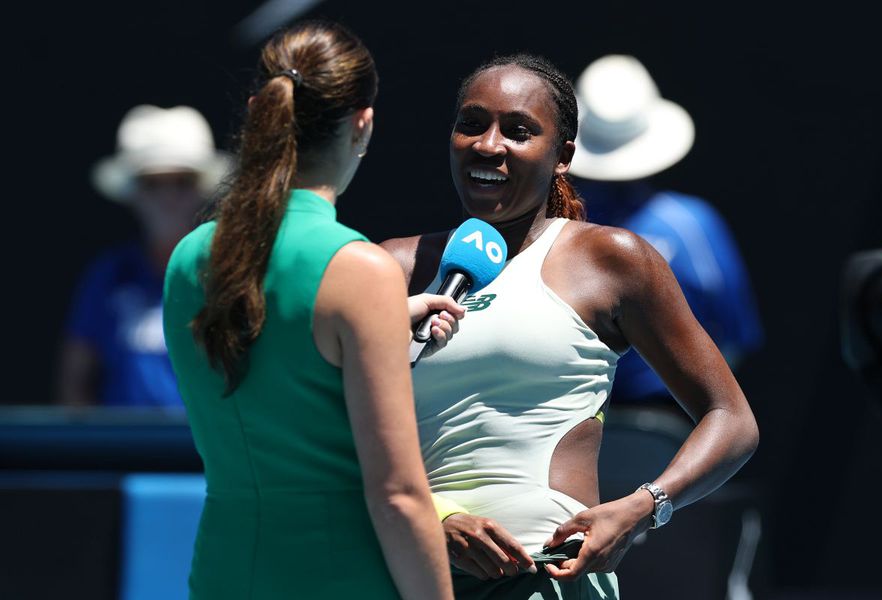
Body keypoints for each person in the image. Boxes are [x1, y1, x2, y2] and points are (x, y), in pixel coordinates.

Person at [381, 53, 759, 599]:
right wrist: (435, 518)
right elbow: (320, 430)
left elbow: (732, 418)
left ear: (563, 156)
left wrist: (642, 507)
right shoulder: (388, 265)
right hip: (401, 576)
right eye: (471, 124)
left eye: (518, 131)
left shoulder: (612, 258)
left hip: (550, 577)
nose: (489, 144)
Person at [162, 21, 457, 599]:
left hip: (221, 576)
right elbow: (398, 496)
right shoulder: (361, 270)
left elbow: (277, 355)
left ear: (260, 112)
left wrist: (378, 323)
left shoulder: (186, 259)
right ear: (362, 125)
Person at [568, 54, 764, 410]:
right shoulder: (692, 224)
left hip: (576, 420)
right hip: (672, 422)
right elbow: (736, 336)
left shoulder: (553, 226)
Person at [57, 104, 231, 408]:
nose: (168, 197)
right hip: (119, 440)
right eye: (152, 183)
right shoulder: (108, 276)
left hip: (208, 441)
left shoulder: (231, 276)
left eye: (182, 181)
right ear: (132, 192)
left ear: (202, 189)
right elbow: (74, 381)